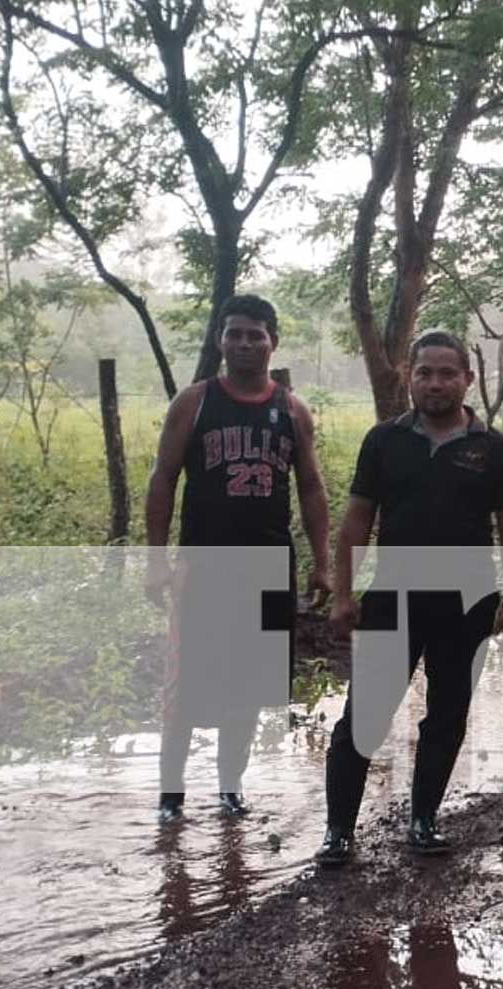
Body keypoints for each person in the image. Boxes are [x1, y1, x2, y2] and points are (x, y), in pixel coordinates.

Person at [316, 330, 503, 867]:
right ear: (409, 376)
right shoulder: (383, 441)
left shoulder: (495, 449)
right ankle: (338, 832)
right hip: (392, 598)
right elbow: (357, 522)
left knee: (447, 713)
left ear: (467, 379)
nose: (435, 383)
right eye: (425, 372)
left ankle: (423, 819)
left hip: (466, 602)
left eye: (446, 373)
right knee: (364, 714)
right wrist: (343, 594)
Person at [145, 294, 331, 822]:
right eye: (235, 334)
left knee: (250, 683)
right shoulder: (195, 402)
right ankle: (171, 792)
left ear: (273, 341)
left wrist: (323, 562)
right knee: (187, 679)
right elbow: (162, 481)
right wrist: (156, 560)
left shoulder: (292, 410)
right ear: (220, 341)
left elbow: (312, 488)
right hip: (203, 563)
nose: (245, 344)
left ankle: (230, 785)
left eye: (255, 334)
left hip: (269, 565)